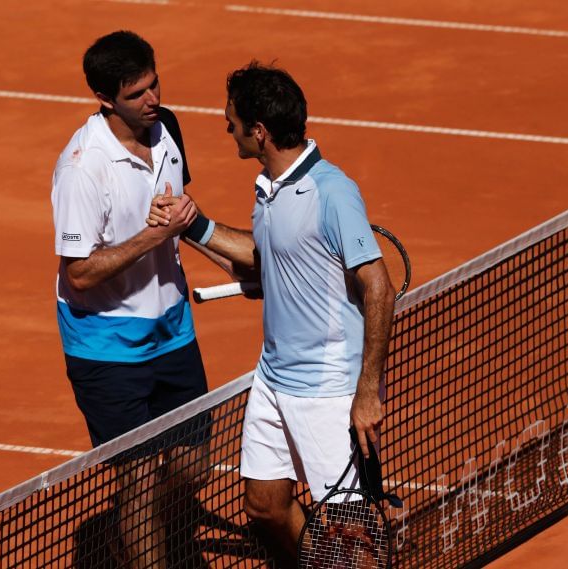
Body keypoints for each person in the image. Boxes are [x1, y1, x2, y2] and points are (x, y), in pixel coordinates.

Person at [149, 62, 395, 560]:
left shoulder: (331, 192)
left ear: (258, 132)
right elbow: (265, 261)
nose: (227, 128)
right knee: (263, 506)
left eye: (232, 122)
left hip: (327, 387)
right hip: (274, 378)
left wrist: (367, 390)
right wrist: (190, 225)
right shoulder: (268, 188)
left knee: (352, 532)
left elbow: (379, 286)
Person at [50, 30, 210, 568]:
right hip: (107, 346)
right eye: (137, 93)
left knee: (194, 466)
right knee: (139, 480)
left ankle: (132, 531)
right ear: (104, 99)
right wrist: (151, 237)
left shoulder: (168, 130)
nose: (153, 99)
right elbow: (79, 275)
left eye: (154, 83)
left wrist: (234, 259)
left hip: (172, 328)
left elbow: (179, 216)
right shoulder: (82, 168)